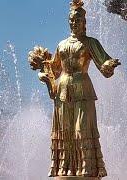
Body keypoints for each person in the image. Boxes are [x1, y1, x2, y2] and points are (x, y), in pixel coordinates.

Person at [29, 0, 120, 178]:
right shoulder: (61, 44)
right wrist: (41, 66)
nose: (74, 23)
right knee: (65, 130)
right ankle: (65, 168)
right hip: (62, 90)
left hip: (83, 89)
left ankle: (87, 168)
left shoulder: (90, 43)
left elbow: (103, 65)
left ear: (84, 23)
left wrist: (109, 65)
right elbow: (54, 68)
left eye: (77, 20)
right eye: (71, 20)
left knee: (82, 128)